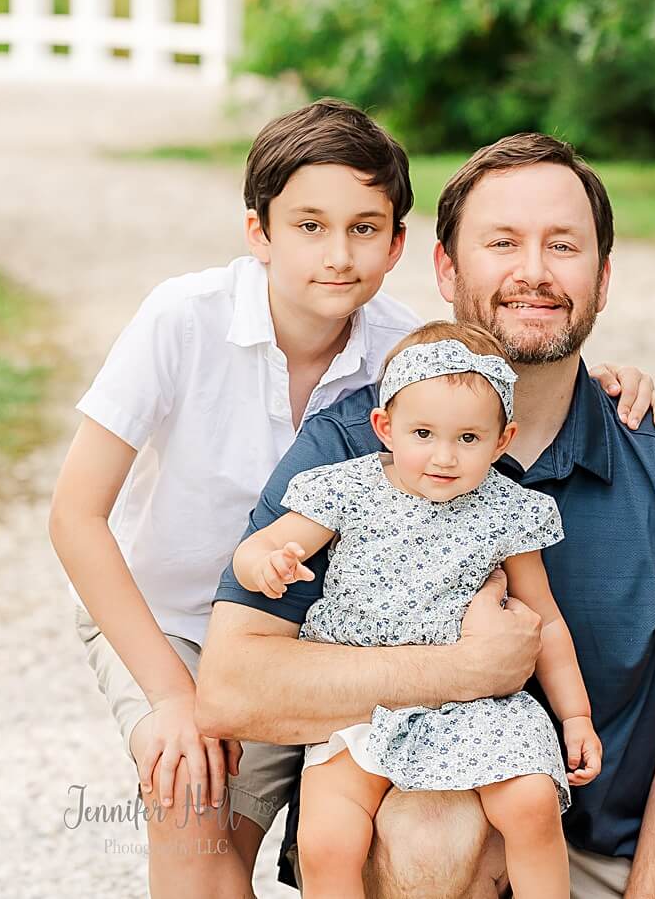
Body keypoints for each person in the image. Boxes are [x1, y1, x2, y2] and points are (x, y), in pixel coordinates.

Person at [48, 100, 655, 898]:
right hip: (166, 620)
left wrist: (609, 376)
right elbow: (75, 516)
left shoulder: (398, 344)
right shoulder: (182, 320)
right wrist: (172, 695)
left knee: (346, 821)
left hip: (313, 637)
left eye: (364, 228)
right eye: (308, 225)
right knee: (194, 799)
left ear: (398, 243)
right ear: (258, 231)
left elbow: (489, 375)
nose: (338, 255)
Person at [197, 132, 655, 898]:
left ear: (604, 275)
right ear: (446, 268)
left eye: (563, 244)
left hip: (600, 865)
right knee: (432, 828)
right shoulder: (354, 446)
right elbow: (231, 685)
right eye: (502, 243)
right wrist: (457, 672)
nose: (534, 271)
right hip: (403, 846)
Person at [234, 321, 602, 899]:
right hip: (363, 699)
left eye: (468, 439)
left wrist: (575, 715)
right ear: (385, 428)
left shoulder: (506, 509)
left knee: (531, 803)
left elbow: (545, 618)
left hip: (477, 705)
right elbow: (262, 545)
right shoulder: (347, 490)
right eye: (424, 433)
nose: (444, 456)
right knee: (328, 840)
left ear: (502, 440)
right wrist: (265, 564)